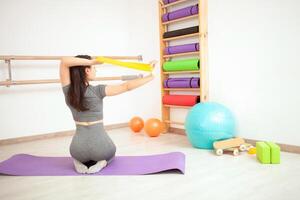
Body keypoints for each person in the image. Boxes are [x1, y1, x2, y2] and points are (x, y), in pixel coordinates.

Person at [59, 55, 156, 174]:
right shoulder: (98, 91)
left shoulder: (68, 92)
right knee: (112, 151)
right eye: (94, 67)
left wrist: (91, 62)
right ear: (87, 70)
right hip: (101, 149)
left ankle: (78, 162)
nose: (96, 70)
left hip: (77, 150)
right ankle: (103, 162)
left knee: (79, 154)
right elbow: (125, 86)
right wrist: (151, 76)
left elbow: (64, 61)